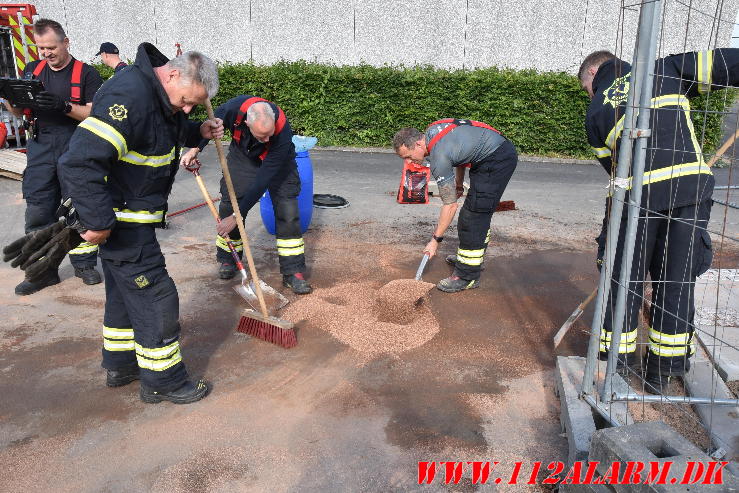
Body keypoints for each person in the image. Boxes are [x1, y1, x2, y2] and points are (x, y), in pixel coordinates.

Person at [58, 43, 224, 404]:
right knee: (156, 297)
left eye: (194, 105)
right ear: (173, 73)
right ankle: (163, 381)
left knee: (123, 293)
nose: (187, 108)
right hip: (119, 220)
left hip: (130, 219)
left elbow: (163, 131)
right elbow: (79, 162)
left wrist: (198, 132)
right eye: (186, 101)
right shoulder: (130, 95)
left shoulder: (160, 93)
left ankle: (121, 365)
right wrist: (99, 221)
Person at [578, 48, 739, 393]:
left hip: (636, 200)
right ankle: (662, 372)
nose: (590, 95)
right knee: (675, 281)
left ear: (593, 74)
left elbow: (614, 168)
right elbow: (730, 64)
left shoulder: (594, 112)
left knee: (624, 281)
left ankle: (619, 365)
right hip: (688, 192)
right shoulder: (663, 69)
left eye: (586, 88)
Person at [2, 18, 104, 294]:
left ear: (65, 42)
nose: (46, 53)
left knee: (79, 209)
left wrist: (64, 105)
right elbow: (17, 113)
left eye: (51, 47)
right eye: (41, 48)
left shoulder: (87, 73)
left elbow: (95, 114)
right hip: (41, 148)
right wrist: (10, 99)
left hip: (77, 147)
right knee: (38, 210)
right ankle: (41, 272)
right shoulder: (32, 70)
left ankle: (83, 264)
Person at [180, 96, 312, 294]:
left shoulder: (282, 130)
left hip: (278, 162)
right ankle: (229, 259)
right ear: (247, 123)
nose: (267, 139)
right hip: (243, 155)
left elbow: (263, 180)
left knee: (288, 210)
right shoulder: (233, 109)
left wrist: (237, 216)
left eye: (269, 134)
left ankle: (293, 272)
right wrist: (194, 149)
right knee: (228, 204)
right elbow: (210, 127)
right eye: (262, 136)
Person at [392, 120, 518, 293]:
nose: (408, 161)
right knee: (473, 213)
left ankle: (467, 277)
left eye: (408, 156)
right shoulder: (433, 132)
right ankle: (468, 260)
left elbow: (450, 205)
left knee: (473, 216)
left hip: (497, 159)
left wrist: (435, 240)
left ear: (418, 144)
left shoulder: (439, 156)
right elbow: (459, 156)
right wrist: (459, 183)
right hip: (487, 156)